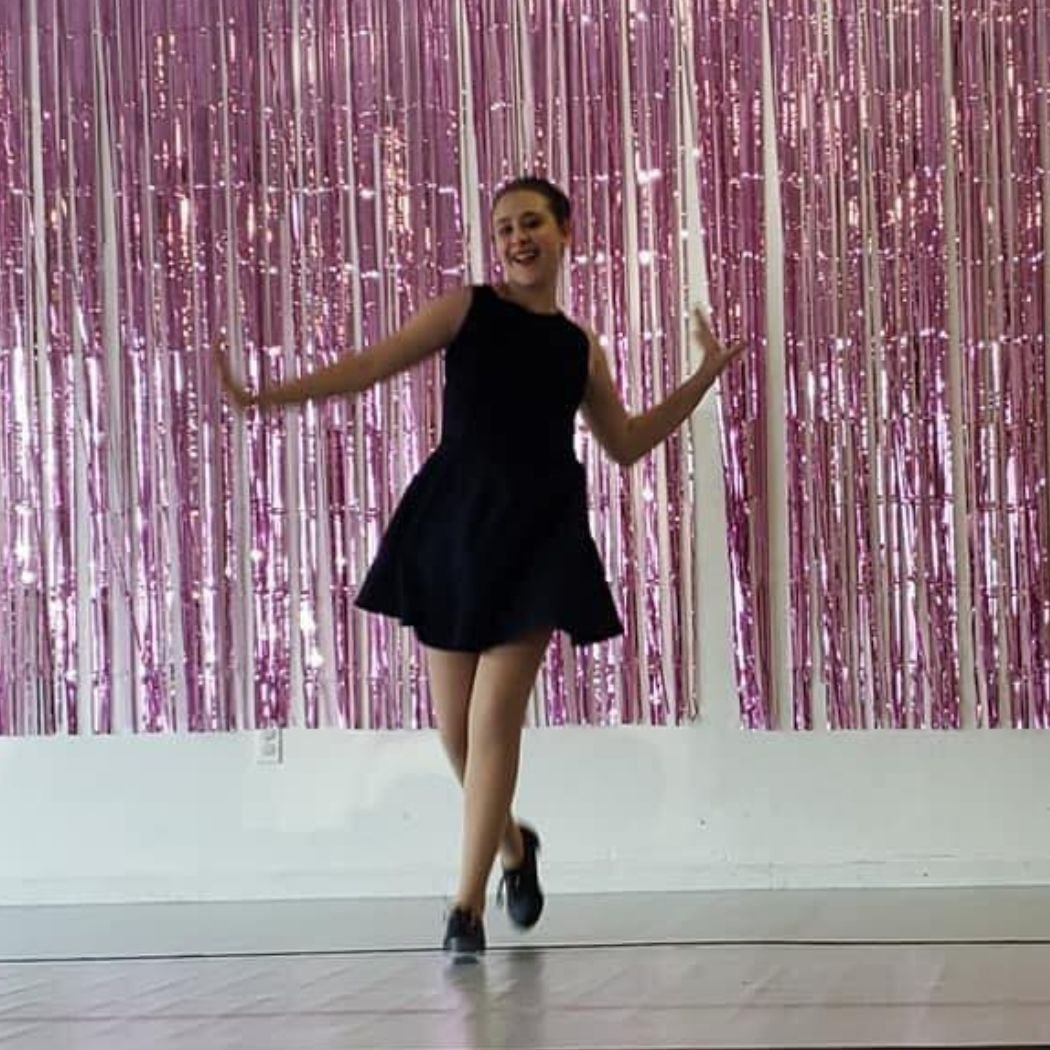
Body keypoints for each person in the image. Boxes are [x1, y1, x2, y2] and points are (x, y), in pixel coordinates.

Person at [215, 176, 745, 960]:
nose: (516, 238)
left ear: (566, 229)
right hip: (455, 526)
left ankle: (465, 909)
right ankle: (514, 849)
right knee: (454, 733)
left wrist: (702, 377)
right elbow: (369, 365)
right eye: (503, 229)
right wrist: (266, 397)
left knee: (494, 724)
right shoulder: (466, 309)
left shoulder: (578, 346)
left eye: (531, 222)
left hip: (539, 533)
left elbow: (625, 442)